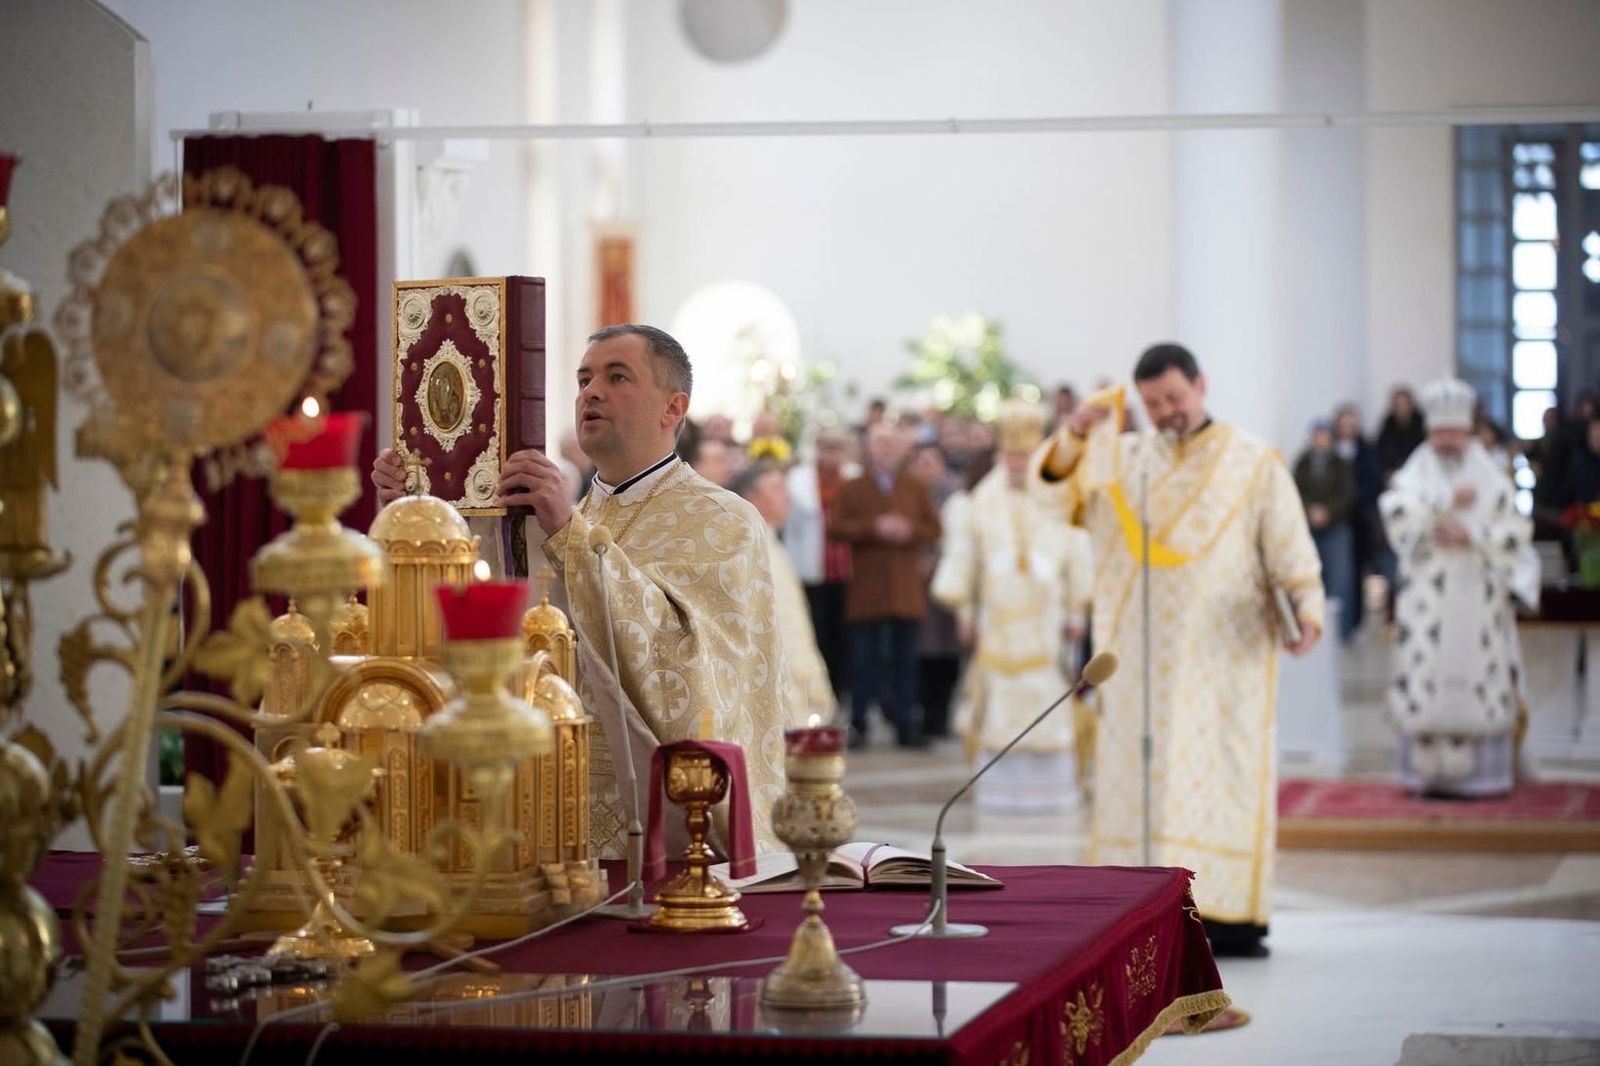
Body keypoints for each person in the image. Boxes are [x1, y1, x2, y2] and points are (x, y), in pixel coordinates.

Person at [377, 324, 789, 856]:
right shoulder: (553, 518)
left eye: (617, 377)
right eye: (583, 380)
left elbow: (687, 664)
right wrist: (414, 513)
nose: (592, 392)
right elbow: (479, 628)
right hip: (543, 817)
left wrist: (567, 532)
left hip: (666, 840)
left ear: (673, 408)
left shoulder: (723, 518)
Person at [1035, 342, 1323, 957]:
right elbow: (1054, 498)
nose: (1166, 411)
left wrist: (1307, 605)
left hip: (1226, 656)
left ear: (1201, 386)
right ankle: (1143, 912)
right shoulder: (1126, 462)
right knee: (1145, 782)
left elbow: (1288, 542)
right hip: (1140, 661)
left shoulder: (1252, 462)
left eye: (1174, 397)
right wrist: (1076, 433)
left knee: (1222, 776)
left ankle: (1228, 917)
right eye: (1154, 403)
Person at [1380, 377, 1536, 798]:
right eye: (1440, 433)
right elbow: (1396, 513)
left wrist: (1474, 536)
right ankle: (1425, 776)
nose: (1446, 441)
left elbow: (1515, 530)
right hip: (1428, 598)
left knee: (1475, 675)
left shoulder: (1489, 474)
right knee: (1426, 678)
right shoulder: (1417, 469)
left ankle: (1480, 778)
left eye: (1454, 432)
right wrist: (1443, 506)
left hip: (1474, 595)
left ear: (1467, 431)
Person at [933, 400, 1093, 812]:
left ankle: (1050, 790)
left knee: (1047, 694)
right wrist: (965, 613)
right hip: (997, 618)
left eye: (1025, 455)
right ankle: (1001, 790)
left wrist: (1077, 612)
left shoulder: (1061, 497)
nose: (1018, 463)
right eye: (1011, 454)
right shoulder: (978, 501)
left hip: (1047, 620)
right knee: (999, 698)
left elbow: (1077, 554)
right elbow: (965, 558)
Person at [830, 422, 941, 749]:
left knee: (906, 661)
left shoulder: (915, 487)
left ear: (902, 448)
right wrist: (874, 527)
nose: (886, 449)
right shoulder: (852, 488)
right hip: (867, 589)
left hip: (905, 589)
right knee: (863, 661)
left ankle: (906, 724)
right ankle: (859, 723)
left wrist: (909, 530)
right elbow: (836, 528)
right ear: (869, 447)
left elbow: (934, 529)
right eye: (880, 442)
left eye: (892, 442)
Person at [733, 459, 835, 726]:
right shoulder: (751, 547)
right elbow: (782, 623)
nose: (787, 496)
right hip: (776, 672)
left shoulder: (770, 542)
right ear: (754, 497)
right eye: (777, 488)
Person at [784, 426, 855, 702]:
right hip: (811, 568)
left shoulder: (854, 478)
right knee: (816, 631)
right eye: (826, 447)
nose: (831, 454)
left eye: (837, 447)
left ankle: (841, 690)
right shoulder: (798, 479)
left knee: (844, 635)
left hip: (847, 569)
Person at [907, 442, 963, 739]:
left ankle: (940, 716)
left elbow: (960, 538)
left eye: (932, 461)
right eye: (921, 461)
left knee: (946, 652)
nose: (926, 467)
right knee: (918, 652)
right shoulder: (907, 492)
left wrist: (938, 560)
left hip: (948, 583)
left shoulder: (956, 495)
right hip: (913, 583)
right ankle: (920, 715)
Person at [1294, 421, 1357, 642]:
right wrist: (1310, 511)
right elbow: (1295, 491)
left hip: (1335, 527)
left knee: (1340, 581)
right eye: (1317, 435)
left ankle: (1341, 633)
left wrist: (1328, 512)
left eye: (1324, 435)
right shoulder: (1302, 463)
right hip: (1309, 528)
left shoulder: (1340, 463)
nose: (1320, 440)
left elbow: (1347, 493)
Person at [1333, 403, 1383, 633]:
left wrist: (1354, 499)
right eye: (1344, 423)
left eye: (1351, 424)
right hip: (1336, 521)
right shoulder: (1331, 449)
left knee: (1357, 571)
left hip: (1361, 520)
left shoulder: (1366, 450)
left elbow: (1373, 481)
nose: (1347, 428)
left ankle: (1354, 622)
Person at [1377, 385, 1427, 486]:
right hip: (1394, 475)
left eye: (1404, 404)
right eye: (1398, 404)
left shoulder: (1422, 426)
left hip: (1419, 473)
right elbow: (1381, 454)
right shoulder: (1387, 426)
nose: (1402, 408)